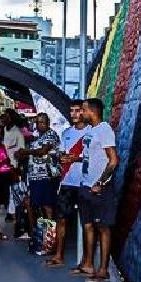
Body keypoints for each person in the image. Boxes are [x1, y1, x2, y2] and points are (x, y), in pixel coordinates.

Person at [72, 97, 119, 282]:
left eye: (82, 109)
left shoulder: (105, 130)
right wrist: (72, 160)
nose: (80, 113)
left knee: (103, 228)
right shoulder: (91, 131)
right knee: (88, 225)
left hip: (99, 189)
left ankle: (103, 271)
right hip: (85, 186)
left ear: (92, 111)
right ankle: (88, 264)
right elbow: (89, 157)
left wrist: (101, 182)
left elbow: (113, 160)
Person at [45, 99, 88, 268]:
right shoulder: (66, 133)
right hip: (68, 182)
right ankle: (58, 255)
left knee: (87, 223)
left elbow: (98, 157)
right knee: (61, 218)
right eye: (72, 111)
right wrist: (62, 157)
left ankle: (86, 260)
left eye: (78, 111)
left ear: (84, 112)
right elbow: (62, 153)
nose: (74, 114)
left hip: (85, 182)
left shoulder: (92, 133)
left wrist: (76, 158)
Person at [20, 112, 61, 252]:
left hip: (46, 177)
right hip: (35, 177)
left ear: (48, 122)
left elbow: (43, 151)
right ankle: (38, 238)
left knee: (47, 207)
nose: (39, 125)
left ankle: (49, 242)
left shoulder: (51, 135)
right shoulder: (39, 137)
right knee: (33, 205)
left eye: (42, 122)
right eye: (38, 122)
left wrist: (25, 152)